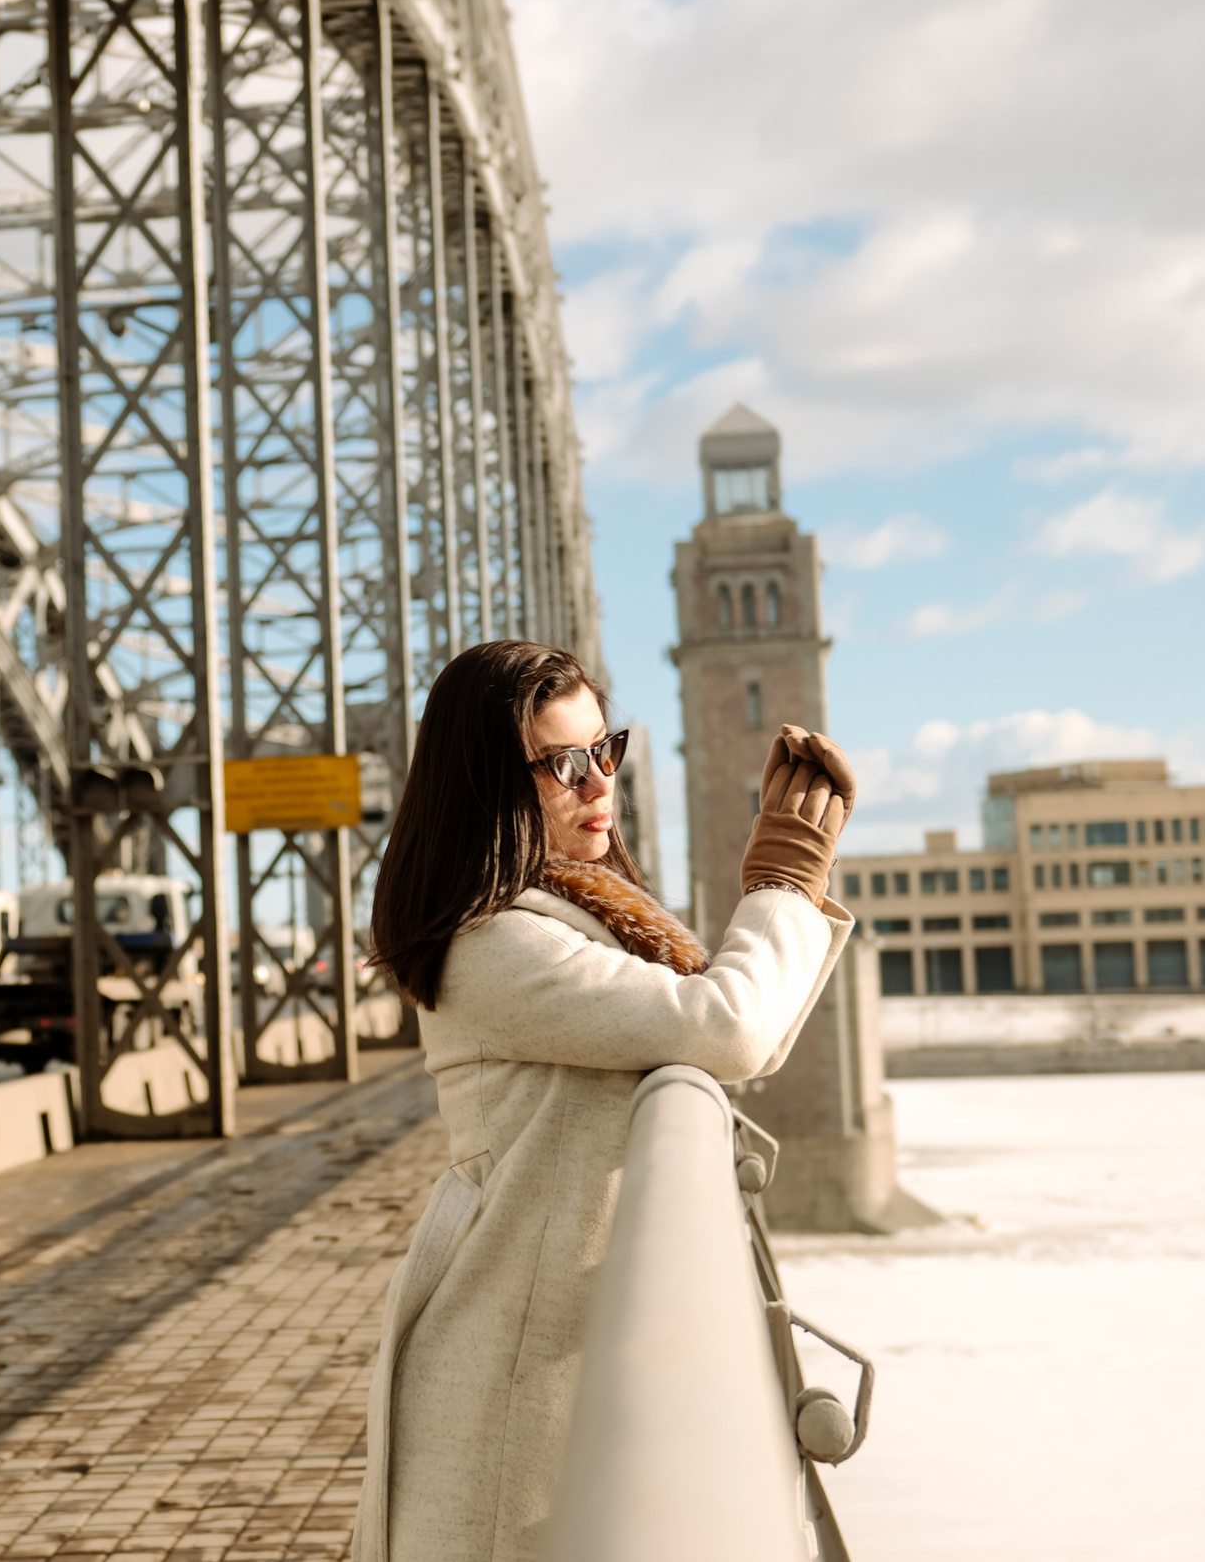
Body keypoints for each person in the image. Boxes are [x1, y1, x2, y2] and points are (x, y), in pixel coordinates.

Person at [354, 640, 858, 1562]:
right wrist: (783, 884)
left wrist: (788, 888)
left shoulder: (578, 916)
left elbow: (736, 1033)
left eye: (605, 749)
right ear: (486, 787)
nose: (598, 783)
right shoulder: (493, 946)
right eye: (561, 763)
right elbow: (727, 1026)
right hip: (510, 1376)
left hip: (563, 1349)